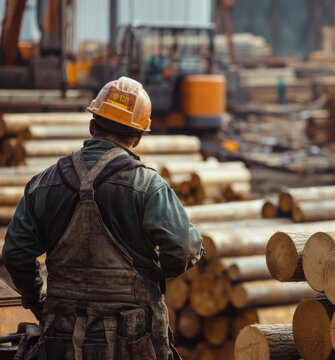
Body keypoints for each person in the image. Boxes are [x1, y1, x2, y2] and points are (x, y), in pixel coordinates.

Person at [2, 76, 204, 360]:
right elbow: (184, 248)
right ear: (138, 137)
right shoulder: (147, 186)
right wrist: (150, 273)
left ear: (93, 125)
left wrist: (37, 302)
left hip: (61, 339)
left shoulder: (43, 183)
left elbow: (15, 254)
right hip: (134, 342)